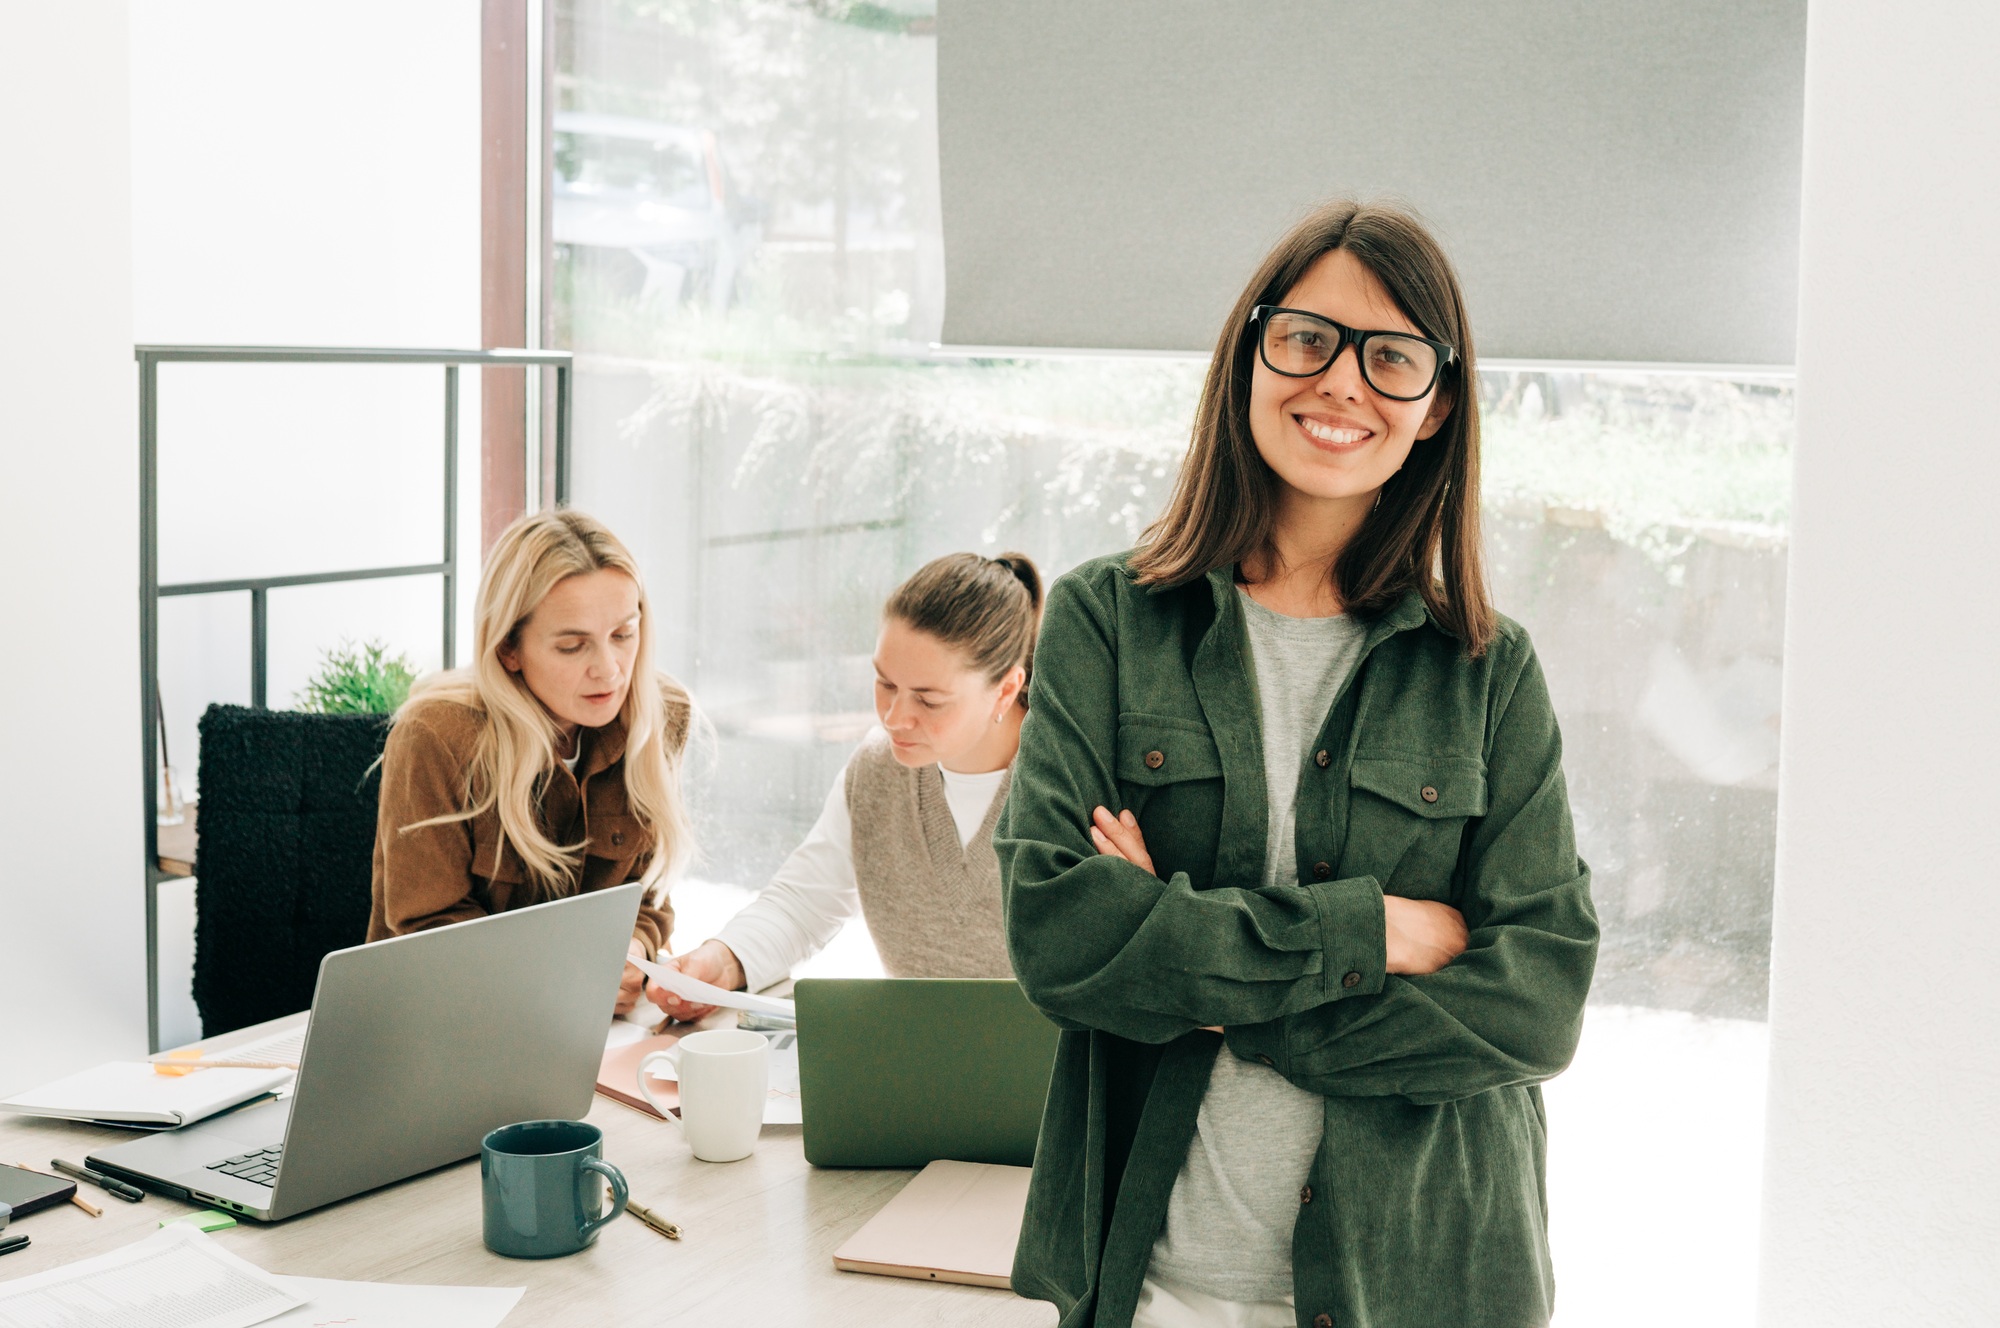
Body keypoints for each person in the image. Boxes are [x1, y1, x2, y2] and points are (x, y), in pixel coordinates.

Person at [998, 200, 1599, 1328]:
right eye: (1307, 339)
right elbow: (1060, 935)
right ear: (1249, 351)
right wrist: (1374, 932)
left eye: (1391, 357)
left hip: (1420, 1283)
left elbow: (1535, 1001)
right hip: (1162, 1274)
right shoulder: (1105, 622)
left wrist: (1212, 986)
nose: (1340, 385)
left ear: (1435, 407)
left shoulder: (1486, 668)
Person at [657, 552, 1042, 1017]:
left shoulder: (1067, 782)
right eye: (885, 683)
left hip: (1049, 1084)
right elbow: (803, 903)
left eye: (928, 698)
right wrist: (722, 960)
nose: (895, 717)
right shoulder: (878, 770)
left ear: (1005, 689)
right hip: (917, 1065)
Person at [367, 508, 695, 1021]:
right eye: (572, 645)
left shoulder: (657, 715)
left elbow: (648, 896)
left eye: (623, 634)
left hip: (596, 1031)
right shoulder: (436, 737)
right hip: (452, 1029)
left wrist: (631, 952)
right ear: (509, 649)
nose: (608, 669)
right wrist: (561, 980)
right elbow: (426, 935)